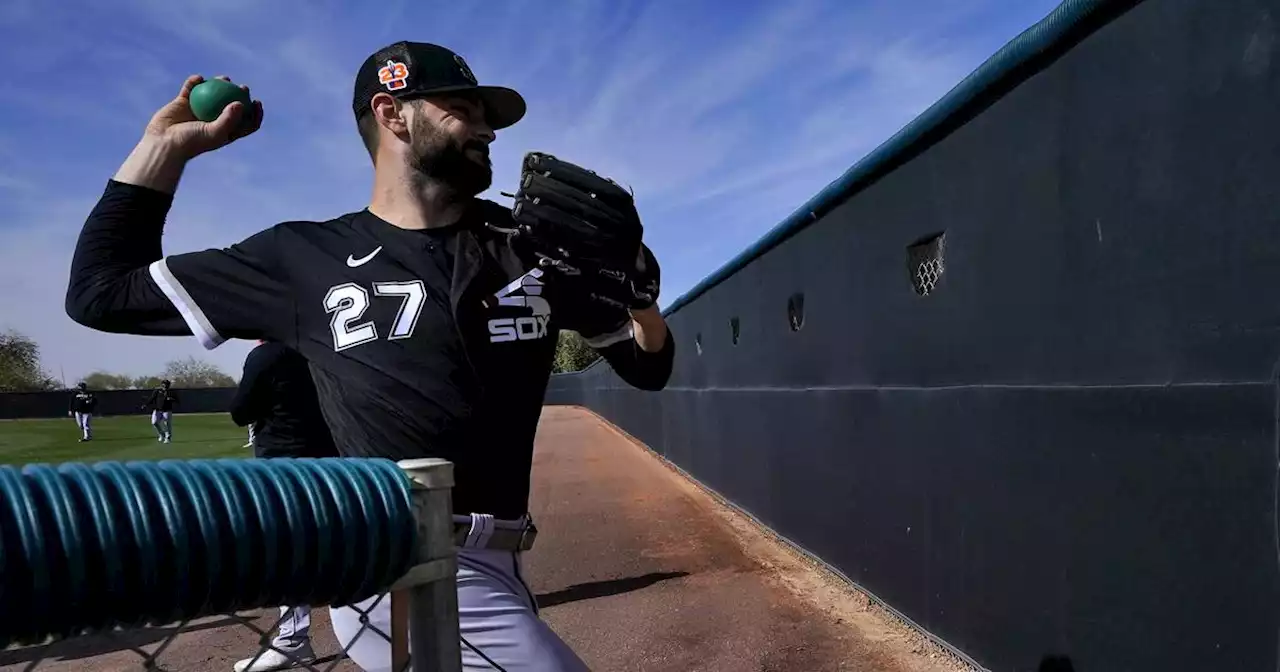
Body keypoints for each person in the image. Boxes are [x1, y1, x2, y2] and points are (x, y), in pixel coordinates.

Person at [65, 40, 674, 671]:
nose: (487, 129)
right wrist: (166, 149)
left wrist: (641, 302)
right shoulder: (301, 259)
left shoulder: (529, 250)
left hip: (503, 560)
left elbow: (647, 366)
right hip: (392, 559)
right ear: (393, 114)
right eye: (462, 109)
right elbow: (100, 292)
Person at [228, 339, 339, 672]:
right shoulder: (324, 344)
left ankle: (293, 641)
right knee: (338, 544)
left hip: (284, 465)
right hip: (334, 459)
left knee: (288, 551)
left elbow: (240, 412)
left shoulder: (267, 354)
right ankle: (384, 630)